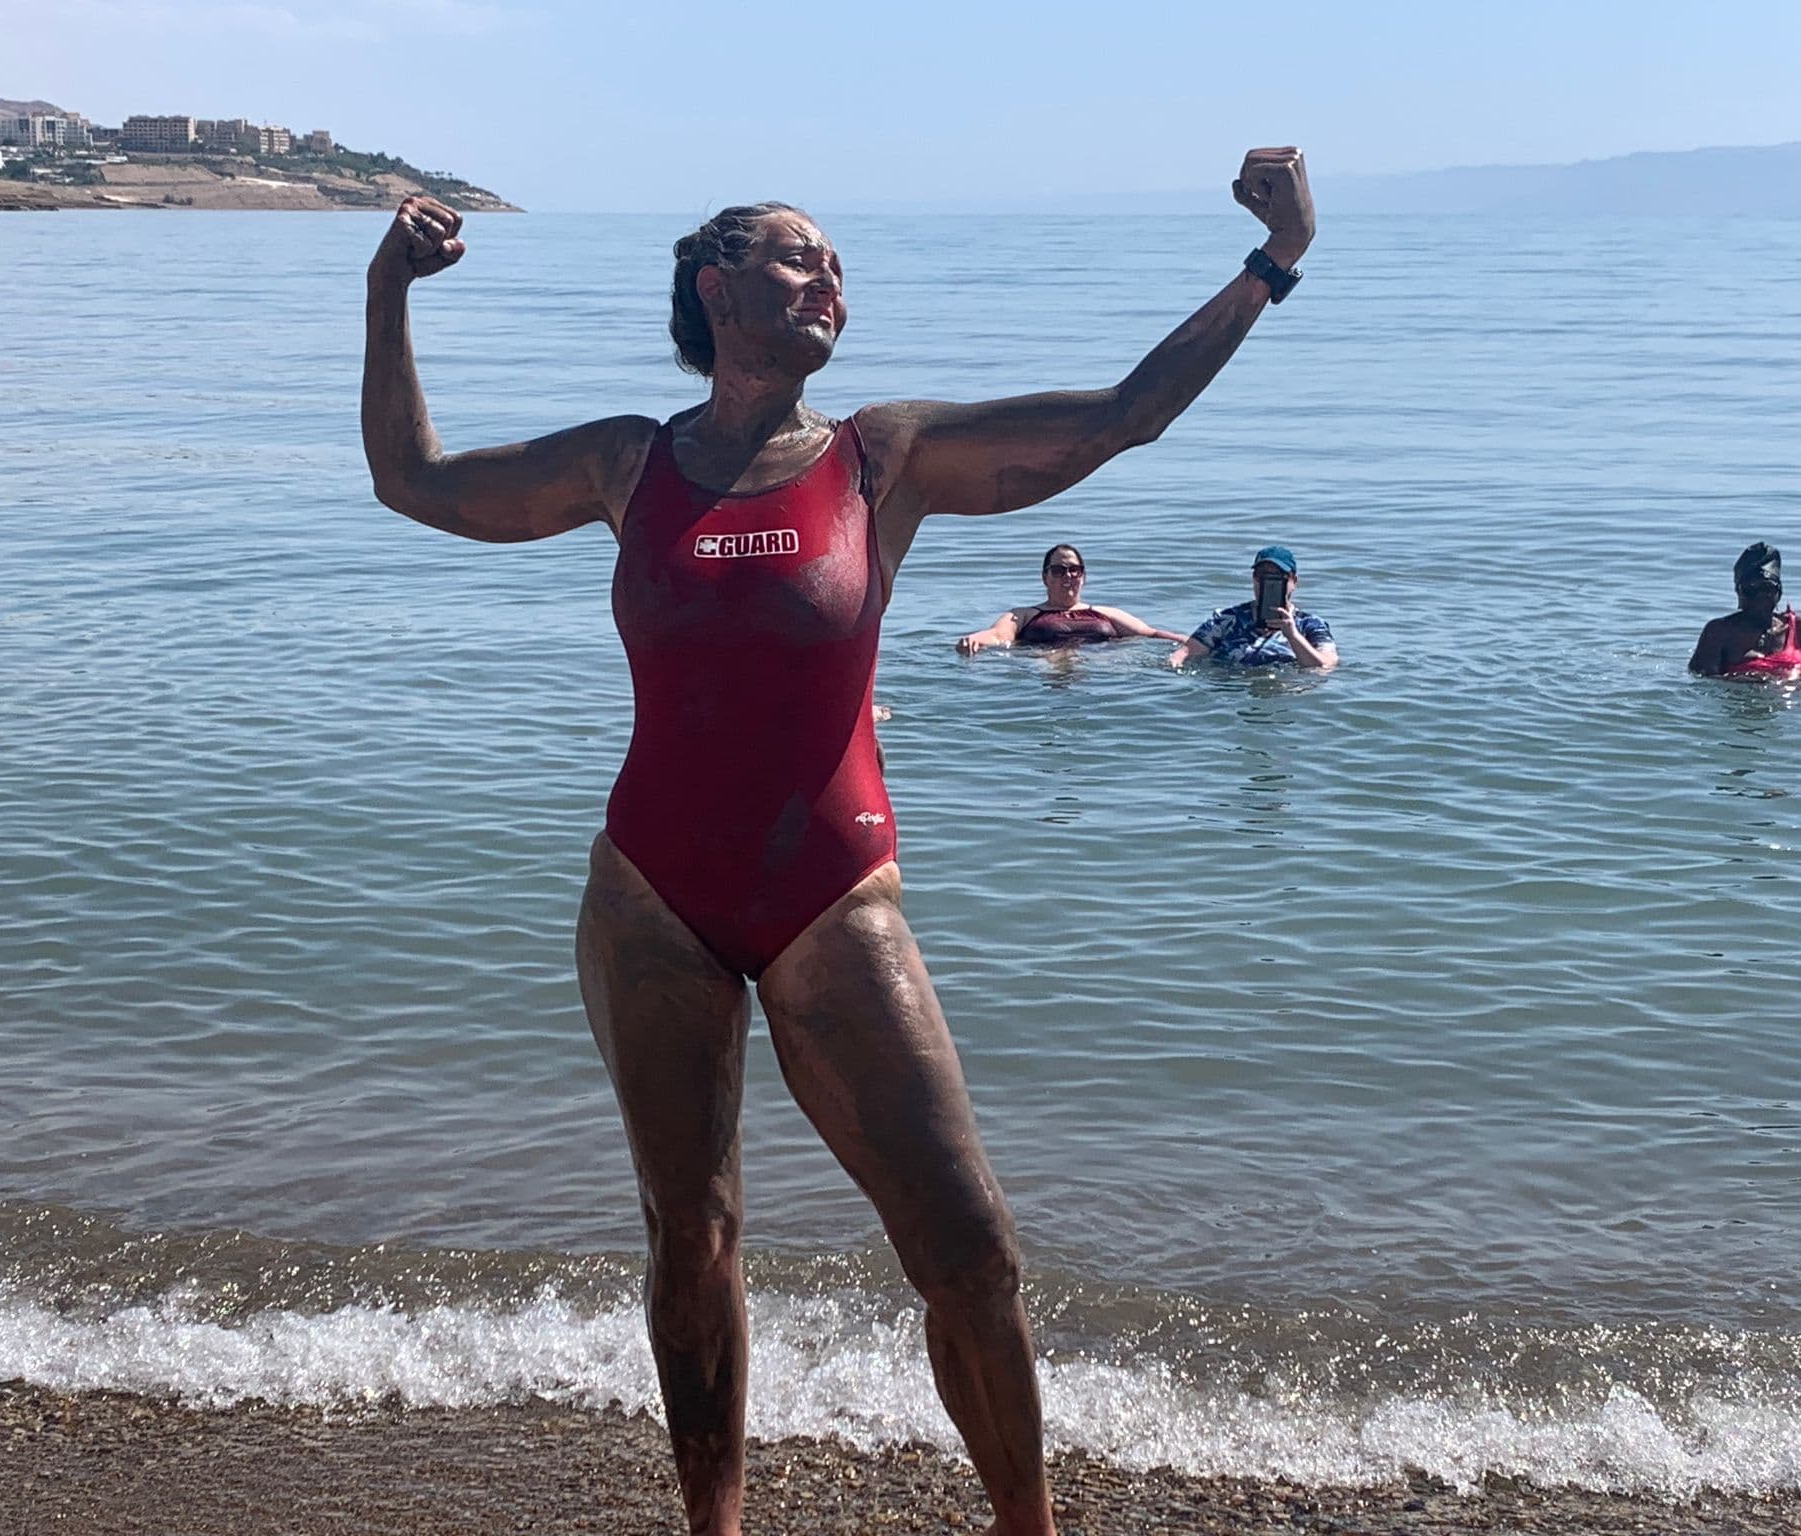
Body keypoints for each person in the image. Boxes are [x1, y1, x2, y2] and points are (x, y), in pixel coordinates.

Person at [361, 146, 1314, 1536]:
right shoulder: (629, 464)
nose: (831, 283)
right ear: (718, 286)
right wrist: (390, 290)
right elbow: (414, 480)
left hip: (834, 899)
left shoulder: (886, 458)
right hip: (649, 898)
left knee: (971, 1248)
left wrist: (1273, 263)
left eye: (838, 269)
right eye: (801, 258)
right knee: (691, 1239)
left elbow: (1124, 417)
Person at [955, 543, 1186, 653]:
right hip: (1046, 663)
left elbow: (1149, 634)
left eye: (1074, 570)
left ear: (1083, 577)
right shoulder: (1024, 614)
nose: (1068, 576)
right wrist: (975, 639)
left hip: (1102, 671)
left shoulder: (1106, 613)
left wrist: (1187, 641)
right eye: (1058, 570)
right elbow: (999, 635)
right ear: (1045, 577)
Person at [1166, 544, 1337, 670]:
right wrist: (1174, 668)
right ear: (1254, 579)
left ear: (1294, 581)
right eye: (1261, 575)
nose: (1267, 582)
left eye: (1278, 577)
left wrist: (1293, 636)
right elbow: (1186, 652)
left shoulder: (1310, 625)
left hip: (1286, 691)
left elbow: (1325, 667)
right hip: (1232, 690)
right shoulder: (1226, 619)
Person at [1688, 541, 1801, 678]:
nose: (1760, 598)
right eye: (1751, 589)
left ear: (1779, 592)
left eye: (1767, 589)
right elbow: (1704, 681)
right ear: (1738, 592)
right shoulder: (1719, 633)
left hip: (1790, 700)